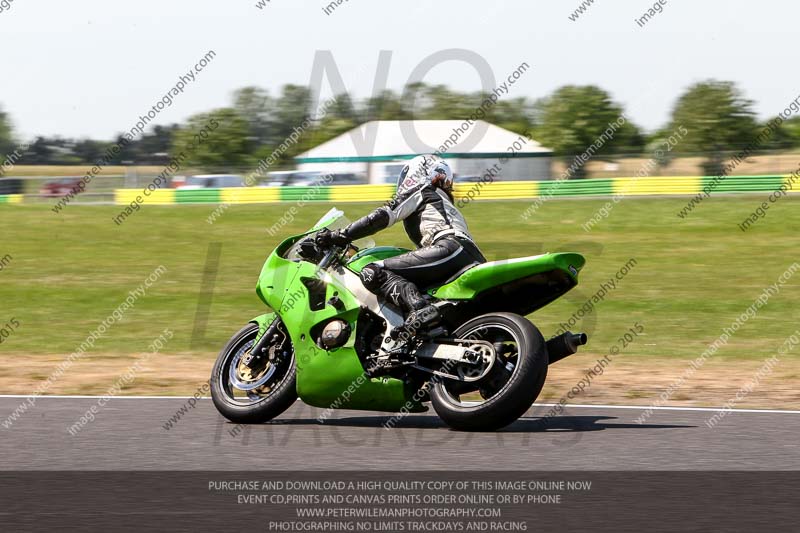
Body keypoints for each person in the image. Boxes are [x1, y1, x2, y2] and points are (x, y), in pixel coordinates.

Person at [316, 154, 486, 331]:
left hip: (449, 247)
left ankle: (420, 309)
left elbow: (380, 217)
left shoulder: (422, 190)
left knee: (372, 271)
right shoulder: (441, 201)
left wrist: (340, 235)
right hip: (470, 257)